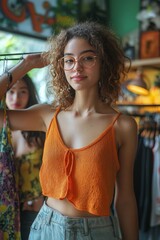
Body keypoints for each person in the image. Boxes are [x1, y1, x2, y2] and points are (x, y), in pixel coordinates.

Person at [0, 21, 139, 240]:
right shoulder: (47, 115)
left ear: (105, 62)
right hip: (45, 227)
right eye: (69, 60)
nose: (77, 67)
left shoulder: (123, 126)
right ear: (60, 65)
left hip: (96, 232)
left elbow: (125, 198)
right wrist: (26, 65)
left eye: (88, 58)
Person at [4, 75, 45, 240]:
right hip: (4, 209)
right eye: (11, 91)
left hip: (32, 210)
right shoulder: (2, 130)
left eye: (22, 92)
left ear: (30, 95)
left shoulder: (41, 130)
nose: (16, 98)